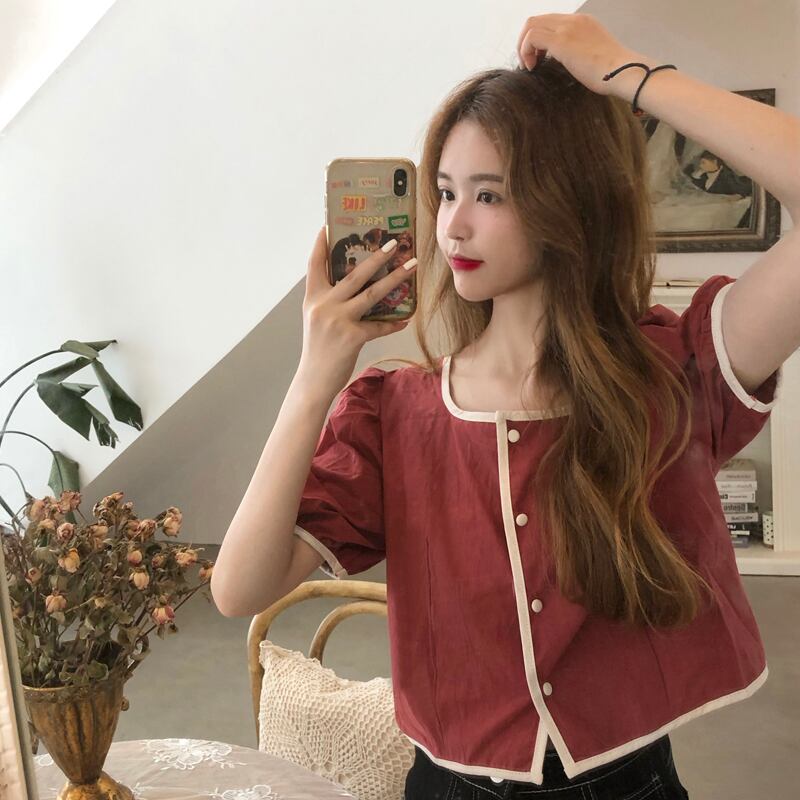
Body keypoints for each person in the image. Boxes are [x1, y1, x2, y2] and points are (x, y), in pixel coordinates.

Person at [212, 12, 799, 799]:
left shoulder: (669, 370)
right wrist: (316, 374)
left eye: (488, 195)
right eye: (445, 192)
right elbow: (238, 590)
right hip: (448, 787)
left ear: (569, 201)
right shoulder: (394, 410)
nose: (453, 225)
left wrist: (625, 70)